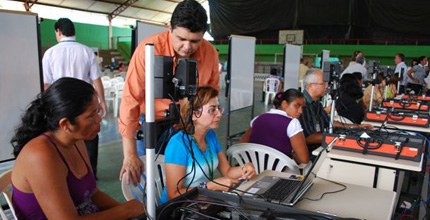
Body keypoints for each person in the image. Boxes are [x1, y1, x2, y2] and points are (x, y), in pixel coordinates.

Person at [10, 78, 145, 219]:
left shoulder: (76, 141)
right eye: (91, 115)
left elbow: (92, 193)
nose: (99, 119)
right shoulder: (40, 156)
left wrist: (129, 210)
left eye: (98, 111)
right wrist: (127, 211)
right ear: (66, 124)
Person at [119, 0, 220, 186]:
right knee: (150, 184)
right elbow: (130, 99)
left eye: (195, 41)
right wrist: (130, 153)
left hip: (189, 127)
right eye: (181, 39)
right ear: (169, 27)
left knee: (185, 183)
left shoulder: (210, 53)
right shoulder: (149, 49)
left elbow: (211, 94)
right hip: (152, 125)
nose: (187, 47)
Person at [160, 86, 256, 204]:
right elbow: (173, 195)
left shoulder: (210, 135)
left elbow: (227, 171)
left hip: (201, 203)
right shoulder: (178, 144)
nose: (219, 114)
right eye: (212, 110)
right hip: (177, 209)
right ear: (194, 114)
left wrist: (245, 169)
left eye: (219, 108)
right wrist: (212, 186)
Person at [42, 18, 105, 178]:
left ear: (58, 31)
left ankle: (67, 174)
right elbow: (96, 79)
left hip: (62, 105)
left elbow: (47, 85)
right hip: (85, 104)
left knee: (63, 139)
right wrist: (101, 102)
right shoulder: (86, 51)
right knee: (90, 135)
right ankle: (91, 173)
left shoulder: (50, 53)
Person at [299, 69, 372, 152]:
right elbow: (308, 138)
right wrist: (338, 136)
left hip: (321, 147)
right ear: (311, 85)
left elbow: (330, 123)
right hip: (311, 152)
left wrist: (356, 127)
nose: (327, 86)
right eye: (323, 83)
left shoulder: (316, 103)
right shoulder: (302, 104)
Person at [241, 89, 309, 164]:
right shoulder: (292, 123)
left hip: (254, 169)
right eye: (297, 106)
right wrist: (291, 152)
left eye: (302, 107)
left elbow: (242, 145)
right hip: (279, 172)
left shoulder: (257, 119)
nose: (301, 111)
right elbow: (304, 160)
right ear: (284, 104)